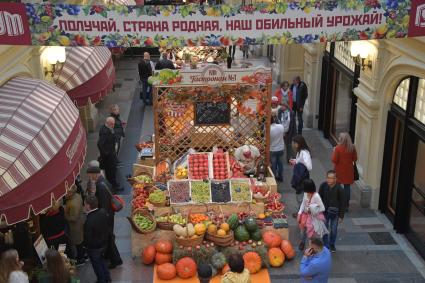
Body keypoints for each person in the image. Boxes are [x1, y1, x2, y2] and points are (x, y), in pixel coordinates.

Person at [86, 163, 122, 269]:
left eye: (89, 175)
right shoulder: (104, 182)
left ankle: (115, 260)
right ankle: (113, 258)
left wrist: (101, 218)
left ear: (94, 175)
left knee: (108, 238)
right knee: (109, 237)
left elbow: (104, 205)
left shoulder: (100, 186)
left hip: (107, 216)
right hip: (109, 214)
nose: (89, 177)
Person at [83, 196, 111, 283]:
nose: (84, 206)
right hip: (104, 243)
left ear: (88, 206)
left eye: (84, 204)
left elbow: (88, 238)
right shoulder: (103, 212)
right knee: (102, 261)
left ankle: (101, 280)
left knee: (97, 265)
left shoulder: (89, 220)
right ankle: (107, 278)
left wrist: (86, 246)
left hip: (94, 248)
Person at [297, 179, 328, 251]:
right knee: (302, 232)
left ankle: (312, 247)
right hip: (305, 216)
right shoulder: (305, 193)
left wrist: (313, 209)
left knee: (311, 234)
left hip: (313, 218)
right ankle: (302, 242)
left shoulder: (316, 196)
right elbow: (303, 203)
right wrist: (299, 213)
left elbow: (322, 208)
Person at [319, 170, 346, 253]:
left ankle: (332, 244)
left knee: (334, 230)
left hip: (335, 213)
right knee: (325, 229)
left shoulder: (340, 189)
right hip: (325, 212)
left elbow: (343, 203)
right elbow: (319, 198)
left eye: (331, 178)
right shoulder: (323, 186)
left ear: (335, 179)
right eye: (328, 178)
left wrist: (341, 216)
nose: (329, 180)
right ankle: (326, 245)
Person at [332, 132, 357, 211]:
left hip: (339, 170)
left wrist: (334, 151)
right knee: (347, 188)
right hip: (349, 170)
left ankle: (338, 203)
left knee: (338, 187)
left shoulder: (338, 148)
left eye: (339, 137)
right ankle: (346, 206)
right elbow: (355, 158)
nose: (338, 138)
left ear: (342, 139)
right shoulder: (352, 147)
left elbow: (334, 160)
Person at [97, 117, 121, 192]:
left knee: (111, 170)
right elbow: (100, 144)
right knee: (111, 171)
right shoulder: (105, 132)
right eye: (112, 124)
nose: (113, 125)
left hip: (111, 155)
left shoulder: (106, 128)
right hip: (109, 157)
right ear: (108, 123)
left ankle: (114, 184)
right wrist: (108, 153)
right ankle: (115, 186)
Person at [290, 135, 312, 215]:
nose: (293, 145)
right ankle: (301, 211)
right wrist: (296, 161)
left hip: (302, 178)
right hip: (300, 177)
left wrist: (300, 165)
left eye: (294, 143)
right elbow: (300, 161)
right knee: (300, 194)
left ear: (299, 143)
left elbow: (309, 167)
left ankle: (302, 213)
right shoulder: (300, 151)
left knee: (300, 195)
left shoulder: (304, 153)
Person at [64, 184, 86, 264]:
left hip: (75, 226)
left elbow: (73, 218)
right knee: (81, 240)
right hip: (81, 220)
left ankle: (81, 258)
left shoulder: (73, 204)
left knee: (78, 243)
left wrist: (65, 215)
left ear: (70, 193)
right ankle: (84, 254)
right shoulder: (77, 195)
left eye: (66, 192)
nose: (65, 193)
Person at [270, 115, 285, 182]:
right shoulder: (281, 126)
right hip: (281, 148)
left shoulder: (268, 129)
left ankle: (274, 177)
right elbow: (283, 135)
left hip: (272, 149)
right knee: (280, 163)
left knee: (273, 164)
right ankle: (280, 176)